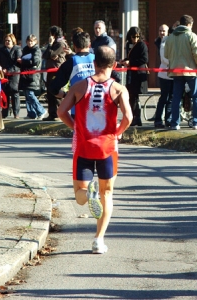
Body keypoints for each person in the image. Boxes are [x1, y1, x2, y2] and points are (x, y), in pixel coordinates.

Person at [57, 45, 133, 254]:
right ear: (114, 65)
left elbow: (61, 111)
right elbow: (128, 117)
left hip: (83, 147)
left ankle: (88, 195)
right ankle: (98, 240)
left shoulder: (80, 86)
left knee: (79, 195)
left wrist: (75, 127)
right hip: (108, 149)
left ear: (94, 64)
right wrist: (117, 132)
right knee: (106, 193)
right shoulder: (118, 89)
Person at [164, 14, 197, 130]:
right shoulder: (191, 35)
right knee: (196, 96)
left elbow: (166, 54)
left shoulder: (171, 36)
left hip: (175, 71)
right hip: (191, 71)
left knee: (176, 97)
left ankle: (174, 123)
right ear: (190, 24)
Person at [49, 31, 95, 118]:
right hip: (99, 110)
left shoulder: (71, 62)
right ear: (89, 44)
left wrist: (67, 95)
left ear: (74, 45)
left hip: (78, 112)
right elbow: (115, 79)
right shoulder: (98, 60)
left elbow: (53, 88)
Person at [120, 26, 148, 126]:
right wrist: (124, 61)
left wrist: (130, 62)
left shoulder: (142, 45)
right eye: (133, 37)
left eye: (137, 36)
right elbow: (129, 56)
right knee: (131, 95)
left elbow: (144, 59)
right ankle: (133, 116)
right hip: (130, 73)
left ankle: (137, 118)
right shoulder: (128, 44)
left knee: (135, 96)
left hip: (139, 74)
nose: (135, 39)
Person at [42, 26, 71, 121]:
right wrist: (50, 50)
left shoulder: (60, 43)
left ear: (53, 34)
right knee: (50, 93)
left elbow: (50, 54)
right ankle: (52, 114)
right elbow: (45, 55)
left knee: (56, 92)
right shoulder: (54, 44)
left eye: (50, 34)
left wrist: (50, 45)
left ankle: (60, 113)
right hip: (50, 70)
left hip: (57, 71)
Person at [18, 34, 47, 120]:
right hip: (25, 75)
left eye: (32, 41)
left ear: (35, 42)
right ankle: (31, 114)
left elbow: (35, 61)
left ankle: (41, 111)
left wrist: (23, 61)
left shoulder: (37, 50)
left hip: (32, 75)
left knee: (30, 94)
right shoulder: (25, 49)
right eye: (29, 41)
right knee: (27, 95)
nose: (30, 43)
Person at [0, 33, 22, 119]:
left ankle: (16, 113)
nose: (7, 42)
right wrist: (0, 69)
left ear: (13, 41)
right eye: (6, 40)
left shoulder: (17, 49)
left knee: (15, 94)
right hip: (4, 75)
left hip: (14, 74)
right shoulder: (2, 51)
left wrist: (9, 70)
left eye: (9, 40)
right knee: (5, 94)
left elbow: (18, 63)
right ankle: (4, 113)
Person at [154, 35, 173, 128]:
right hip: (165, 75)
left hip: (174, 75)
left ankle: (168, 120)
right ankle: (158, 120)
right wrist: (175, 62)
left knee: (171, 99)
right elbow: (164, 59)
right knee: (164, 98)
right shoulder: (164, 43)